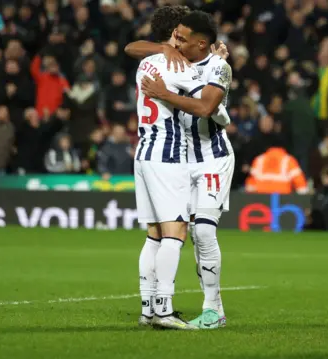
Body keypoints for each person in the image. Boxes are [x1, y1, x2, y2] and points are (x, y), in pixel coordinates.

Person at [132, 10, 234, 330]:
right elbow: (133, 47)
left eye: (182, 38)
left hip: (212, 157)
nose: (176, 41)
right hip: (177, 158)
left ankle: (212, 307)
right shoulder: (174, 59)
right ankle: (156, 307)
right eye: (174, 35)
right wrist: (162, 48)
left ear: (200, 44)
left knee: (201, 231)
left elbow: (208, 109)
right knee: (168, 233)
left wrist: (164, 93)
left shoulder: (218, 66)